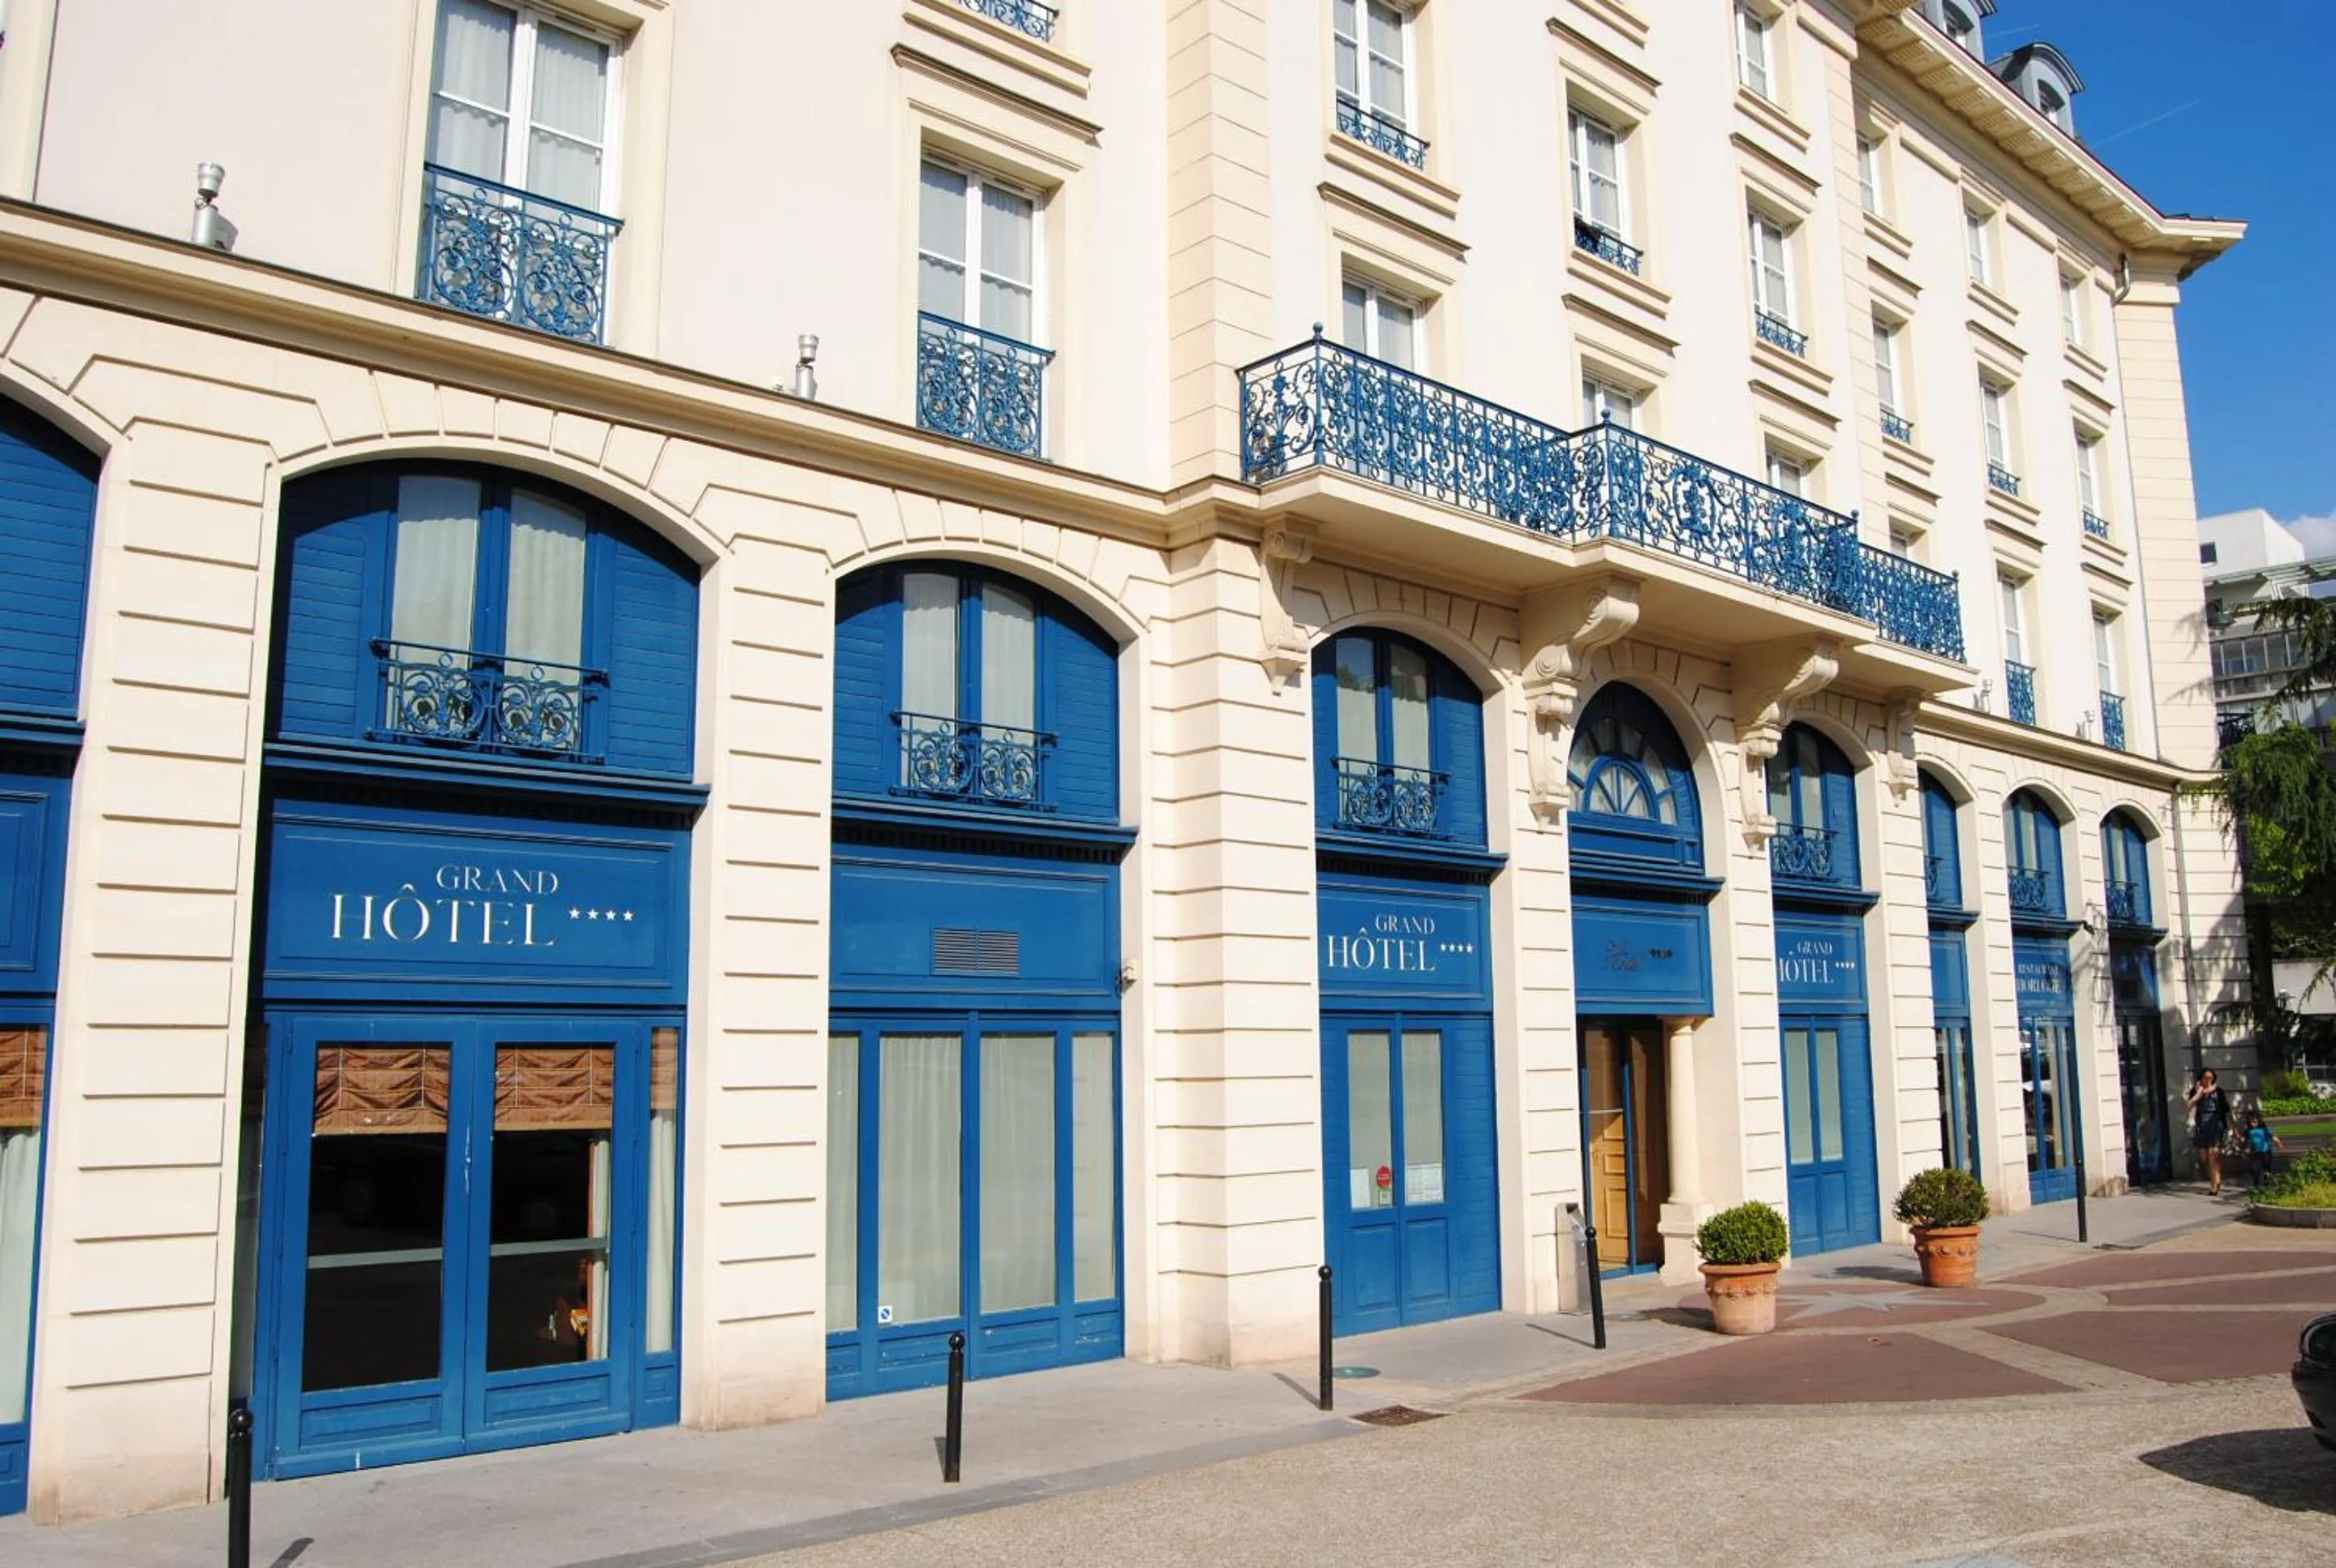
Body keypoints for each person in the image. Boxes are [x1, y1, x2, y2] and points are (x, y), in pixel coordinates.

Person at [2186, 1070, 2230, 1195]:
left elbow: (2226, 1110)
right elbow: (2189, 1106)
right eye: (2205, 1078)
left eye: (2211, 1078)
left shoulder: (2218, 1092)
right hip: (2202, 1125)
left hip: (2216, 1124)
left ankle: (2214, 1184)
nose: (2208, 1080)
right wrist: (2199, 1093)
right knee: (2204, 1156)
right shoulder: (2196, 1091)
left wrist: (2233, 1126)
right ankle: (2216, 1177)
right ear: (2201, 1079)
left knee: (2213, 1154)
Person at [2244, 1107, 2286, 1185]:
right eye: (2250, 1121)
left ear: (2259, 1121)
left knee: (2266, 1167)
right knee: (2254, 1168)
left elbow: (2273, 1137)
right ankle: (2256, 1181)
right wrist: (2239, 1139)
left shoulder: (2264, 1129)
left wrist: (2279, 1144)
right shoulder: (2248, 1131)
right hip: (2255, 1152)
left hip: (2266, 1151)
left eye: (2254, 1121)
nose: (2252, 1123)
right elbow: (2245, 1140)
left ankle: (2267, 1181)